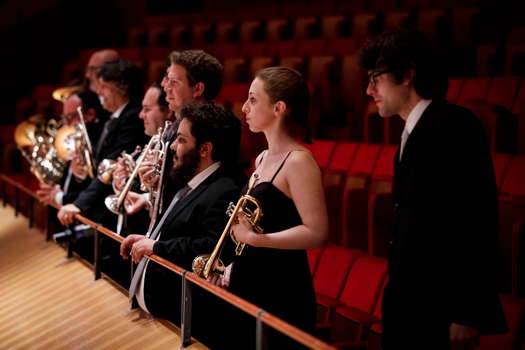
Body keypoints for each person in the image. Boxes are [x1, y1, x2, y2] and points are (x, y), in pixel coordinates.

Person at [358, 29, 507, 349]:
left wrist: (466, 312)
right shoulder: (410, 131)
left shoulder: (454, 125)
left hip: (441, 308)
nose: (369, 90)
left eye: (376, 78)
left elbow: (474, 220)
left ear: (408, 75)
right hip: (409, 303)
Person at [119, 101, 243, 346]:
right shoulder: (194, 181)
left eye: (182, 140)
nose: (173, 146)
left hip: (185, 328)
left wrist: (156, 247)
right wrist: (148, 239)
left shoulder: (225, 189)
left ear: (205, 148)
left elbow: (208, 248)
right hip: (160, 319)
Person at [225, 67, 328, 349]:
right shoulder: (261, 158)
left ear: (278, 107)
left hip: (282, 290)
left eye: (253, 99)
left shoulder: (298, 161)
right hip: (253, 283)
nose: (244, 107)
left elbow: (317, 233)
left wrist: (258, 240)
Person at [57, 59, 147, 229]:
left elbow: (111, 167)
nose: (99, 92)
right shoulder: (115, 117)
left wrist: (79, 204)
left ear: (122, 87)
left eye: (104, 87)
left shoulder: (132, 118)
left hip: (116, 215)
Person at [37, 88, 107, 207]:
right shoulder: (73, 141)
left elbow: (96, 189)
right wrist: (57, 189)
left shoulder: (98, 143)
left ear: (90, 114)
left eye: (70, 117)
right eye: (64, 118)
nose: (66, 124)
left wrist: (60, 197)